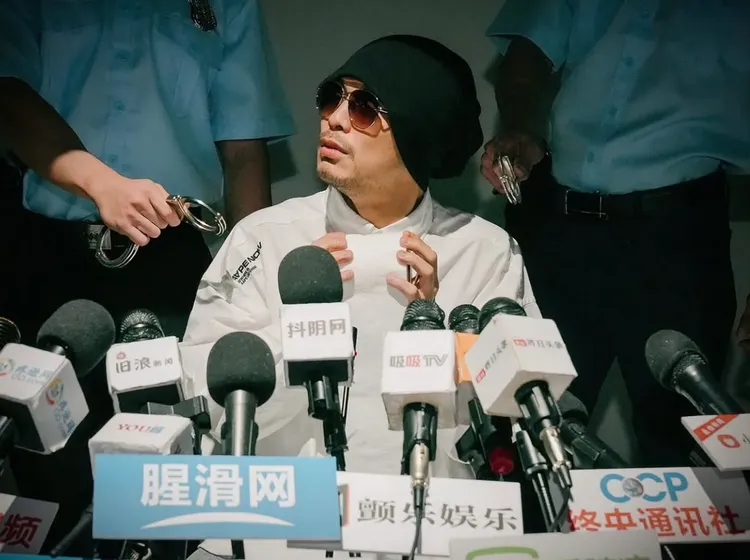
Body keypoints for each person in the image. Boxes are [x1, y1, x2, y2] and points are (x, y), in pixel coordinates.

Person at [180, 35, 539, 559]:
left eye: (364, 107)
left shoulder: (483, 251)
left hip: (428, 530)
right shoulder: (263, 238)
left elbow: (518, 421)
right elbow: (200, 403)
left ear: (419, 130)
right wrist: (299, 325)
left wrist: (434, 326)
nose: (334, 119)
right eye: (331, 97)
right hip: (277, 532)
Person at [0, 0, 293, 553]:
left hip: (168, 264)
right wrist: (102, 184)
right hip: (48, 260)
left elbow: (243, 148)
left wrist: (253, 282)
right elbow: (8, 94)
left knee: (163, 478)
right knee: (46, 473)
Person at [480, 1, 749, 469]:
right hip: (557, 223)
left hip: (678, 237)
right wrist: (522, 128)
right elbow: (528, 49)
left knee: (680, 441)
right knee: (528, 428)